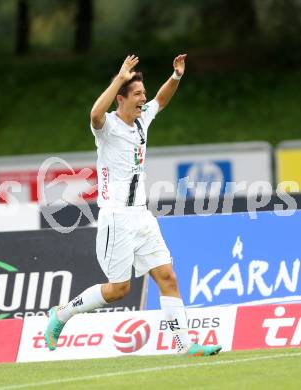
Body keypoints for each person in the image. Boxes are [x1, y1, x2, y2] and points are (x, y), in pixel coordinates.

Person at [44, 54, 222, 357]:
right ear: (121, 99)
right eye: (137, 94)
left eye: (143, 93)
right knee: (118, 290)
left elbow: (161, 101)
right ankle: (61, 315)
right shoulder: (108, 127)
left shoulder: (142, 120)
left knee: (167, 276)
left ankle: (184, 344)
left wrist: (176, 76)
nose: (143, 99)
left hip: (141, 215)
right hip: (116, 218)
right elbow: (94, 114)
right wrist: (119, 78)